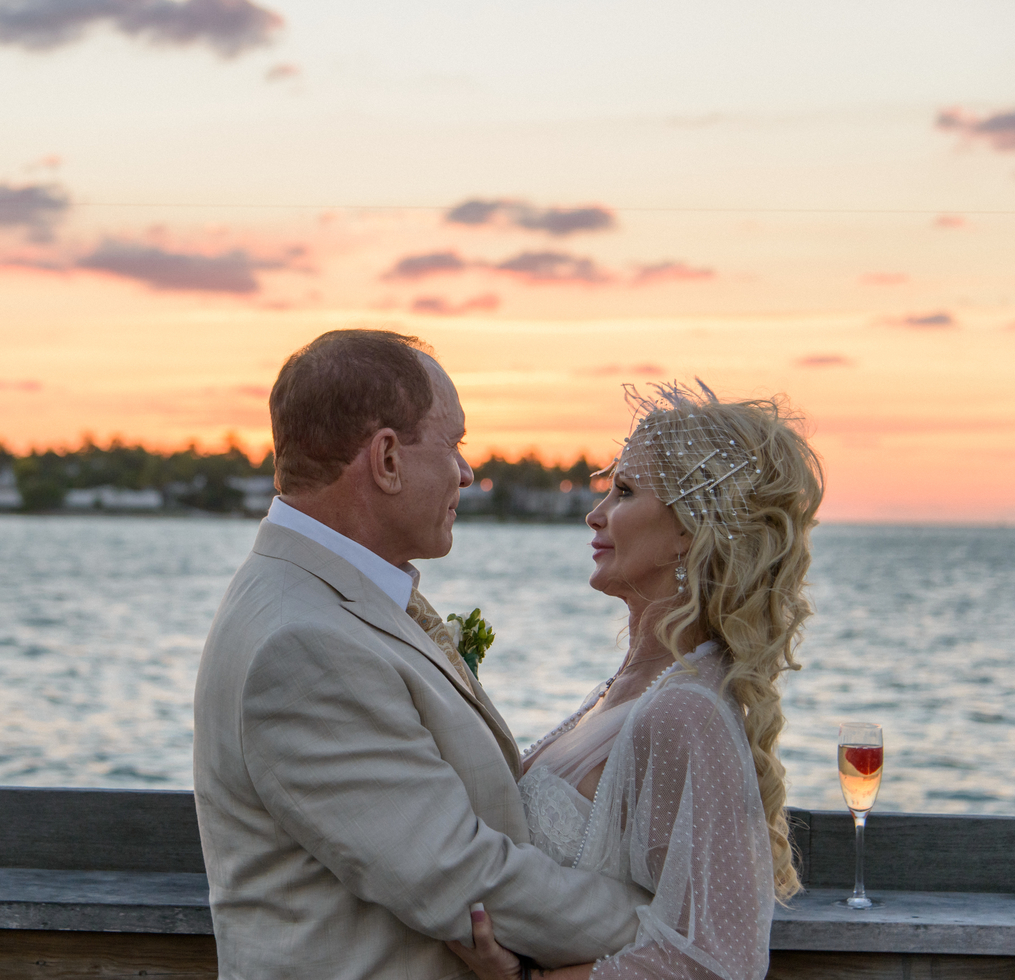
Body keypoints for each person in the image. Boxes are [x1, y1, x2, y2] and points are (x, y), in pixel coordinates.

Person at [194, 330, 649, 980]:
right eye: (453, 444)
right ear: (385, 459)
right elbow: (463, 877)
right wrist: (673, 925)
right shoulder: (305, 642)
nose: (465, 472)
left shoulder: (320, 598)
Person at [450, 381, 824, 980]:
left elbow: (719, 962)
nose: (595, 514)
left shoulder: (685, 713)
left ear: (687, 530)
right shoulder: (627, 689)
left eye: (623, 492)